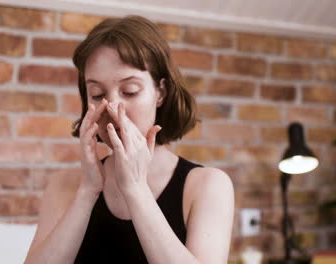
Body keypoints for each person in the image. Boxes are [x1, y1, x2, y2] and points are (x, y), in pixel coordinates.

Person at [24, 15, 234, 264]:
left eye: (130, 91)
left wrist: (135, 188)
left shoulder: (207, 185)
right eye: (97, 93)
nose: (112, 107)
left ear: (161, 92)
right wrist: (88, 192)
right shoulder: (64, 186)